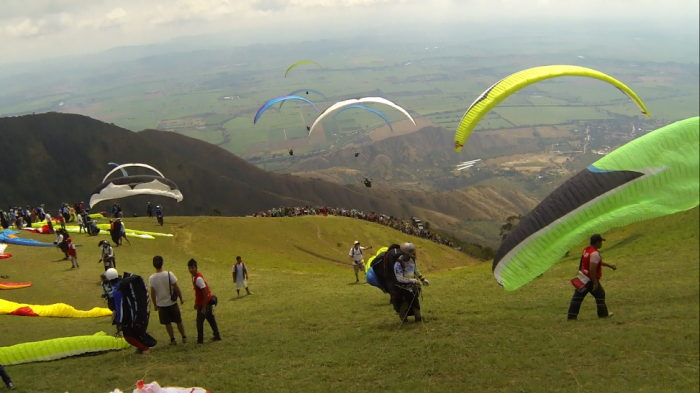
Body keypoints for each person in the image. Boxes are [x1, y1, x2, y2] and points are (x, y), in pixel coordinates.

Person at [567, 234, 617, 320]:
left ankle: (571, 316)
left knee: (577, 297)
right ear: (597, 242)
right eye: (601, 242)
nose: (601, 243)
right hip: (590, 279)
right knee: (600, 294)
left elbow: (595, 262)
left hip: (583, 277)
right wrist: (595, 283)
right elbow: (592, 269)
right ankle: (603, 314)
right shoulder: (595, 254)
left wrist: (609, 265)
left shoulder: (587, 250)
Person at [148, 256, 187, 345]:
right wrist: (181, 298)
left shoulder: (152, 278)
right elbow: (176, 287)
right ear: (162, 263)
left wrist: (155, 304)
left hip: (161, 304)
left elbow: (153, 293)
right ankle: (184, 336)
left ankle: (172, 339)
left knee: (167, 323)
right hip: (172, 302)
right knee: (178, 320)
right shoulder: (169, 274)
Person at [187, 259, 221, 344]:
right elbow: (198, 293)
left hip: (204, 303)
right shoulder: (194, 277)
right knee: (211, 319)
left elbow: (205, 293)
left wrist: (204, 308)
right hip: (204, 302)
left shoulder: (198, 279)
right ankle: (217, 335)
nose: (191, 270)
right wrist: (196, 303)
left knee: (199, 322)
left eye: (192, 267)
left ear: (196, 267)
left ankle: (200, 340)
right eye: (189, 268)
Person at [392, 253, 429, 323]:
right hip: (403, 288)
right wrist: (410, 280)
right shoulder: (398, 263)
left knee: (415, 301)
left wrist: (423, 279)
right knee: (405, 303)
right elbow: (399, 278)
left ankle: (418, 317)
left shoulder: (411, 260)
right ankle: (403, 319)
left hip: (413, 286)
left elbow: (415, 270)